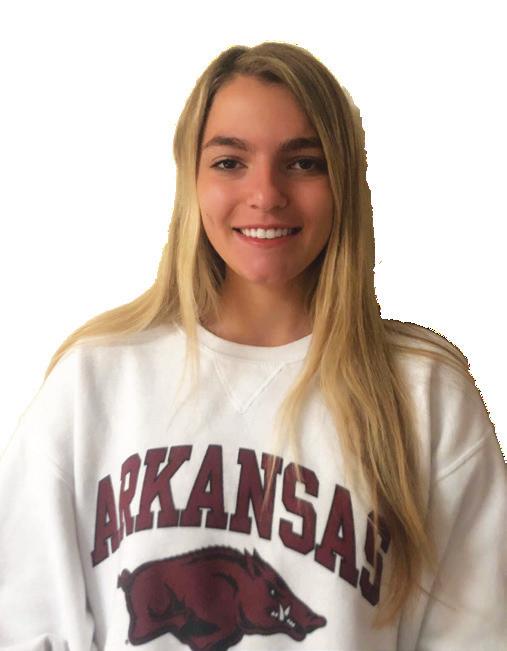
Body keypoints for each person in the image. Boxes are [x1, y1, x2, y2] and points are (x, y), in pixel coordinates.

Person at [0, 41, 504, 651]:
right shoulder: (94, 381)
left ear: (344, 181)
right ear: (191, 180)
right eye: (230, 162)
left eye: (303, 162)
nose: (266, 194)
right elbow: (25, 624)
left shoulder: (424, 395)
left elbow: (477, 635)